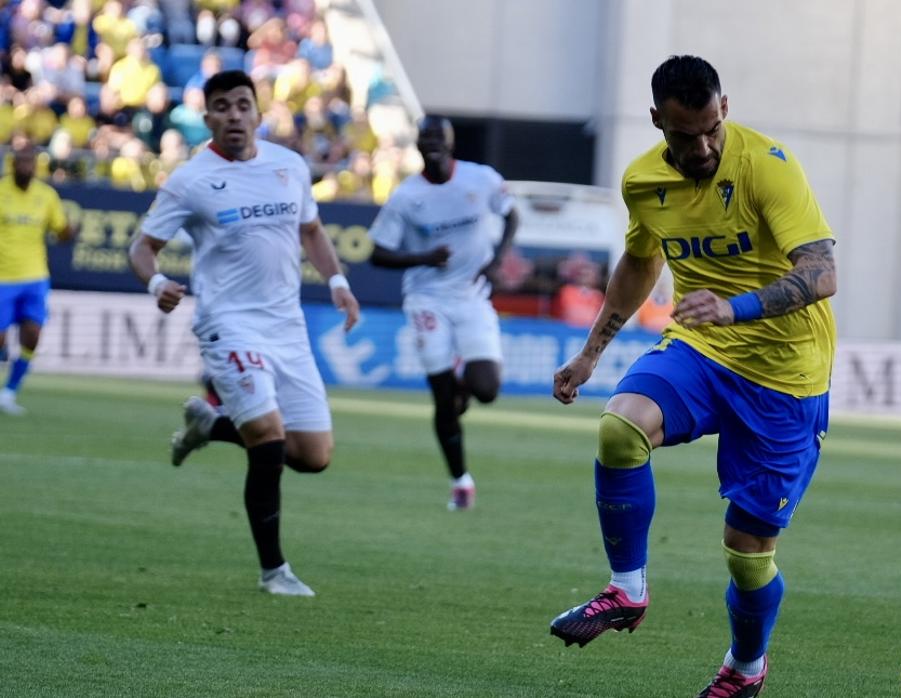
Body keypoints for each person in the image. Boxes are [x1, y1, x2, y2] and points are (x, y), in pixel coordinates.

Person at [548, 55, 837, 697]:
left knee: (747, 552)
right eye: (685, 135)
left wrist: (734, 307)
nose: (702, 147)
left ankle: (745, 667)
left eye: (711, 129)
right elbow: (639, 261)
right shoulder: (643, 181)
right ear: (658, 122)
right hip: (702, 350)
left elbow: (822, 273)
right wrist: (592, 352)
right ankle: (626, 589)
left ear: (724, 109)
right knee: (621, 426)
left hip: (786, 377)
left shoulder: (767, 166)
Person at [128, 70, 361, 596]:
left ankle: (209, 427)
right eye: (222, 107)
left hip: (288, 326)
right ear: (207, 117)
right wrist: (158, 281)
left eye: (242, 105)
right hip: (227, 325)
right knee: (269, 439)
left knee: (313, 456)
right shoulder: (190, 179)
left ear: (258, 112)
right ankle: (274, 571)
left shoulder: (290, 166)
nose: (234, 115)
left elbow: (311, 231)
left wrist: (339, 282)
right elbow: (141, 248)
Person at [367, 114, 519, 512]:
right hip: (427, 299)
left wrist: (496, 261)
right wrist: (423, 257)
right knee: (441, 397)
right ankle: (461, 481)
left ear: (452, 144)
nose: (433, 143)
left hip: (472, 295)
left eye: (440, 137)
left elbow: (512, 215)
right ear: (418, 146)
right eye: (426, 138)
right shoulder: (406, 196)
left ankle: (460, 379)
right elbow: (377, 253)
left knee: (486, 390)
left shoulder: (481, 179)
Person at [0, 136, 77, 416]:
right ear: (12, 164)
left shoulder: (46, 196)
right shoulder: (1, 191)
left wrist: (71, 229)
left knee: (32, 335)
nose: (26, 166)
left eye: (30, 161)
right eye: (21, 161)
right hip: (3, 277)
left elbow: (62, 231)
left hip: (35, 276)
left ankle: (9, 392)